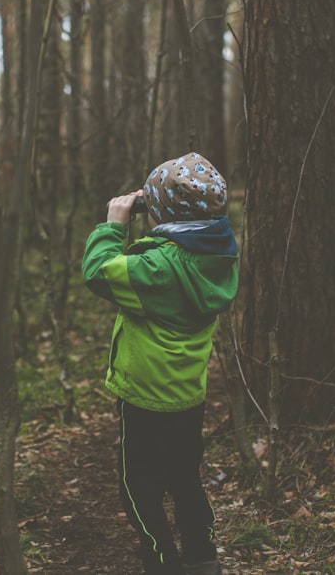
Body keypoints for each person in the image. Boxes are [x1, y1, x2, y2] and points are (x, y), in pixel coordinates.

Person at [82, 152, 238, 575]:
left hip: (145, 400)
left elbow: (97, 271)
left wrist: (114, 224)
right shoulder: (219, 256)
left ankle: (161, 557)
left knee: (138, 485)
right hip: (189, 397)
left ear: (161, 213)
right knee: (185, 478)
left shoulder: (157, 269)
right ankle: (203, 556)